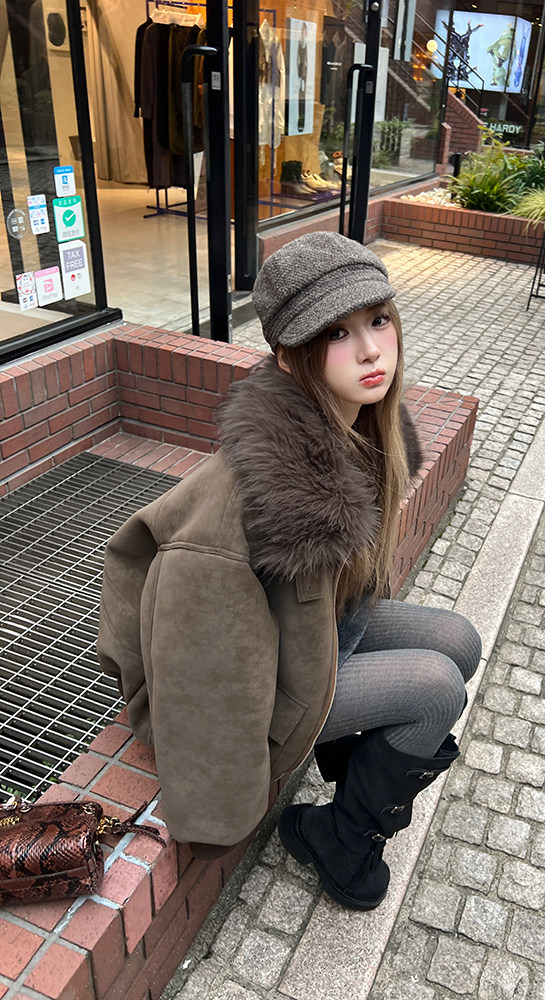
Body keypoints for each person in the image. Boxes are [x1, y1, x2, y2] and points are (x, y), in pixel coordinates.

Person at [97, 232, 481, 912]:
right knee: (435, 689)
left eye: (378, 319)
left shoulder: (363, 429)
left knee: (460, 641)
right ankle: (339, 839)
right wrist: (220, 809)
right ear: (287, 354)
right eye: (336, 332)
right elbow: (203, 682)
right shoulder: (244, 506)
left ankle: (353, 774)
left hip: (313, 642)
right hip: (258, 685)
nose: (371, 350)